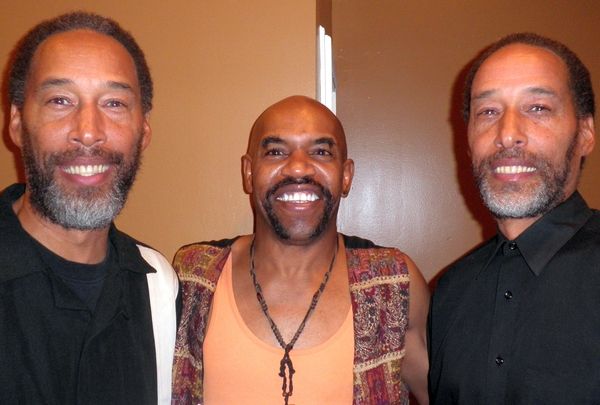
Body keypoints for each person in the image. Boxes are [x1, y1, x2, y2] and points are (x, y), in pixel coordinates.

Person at [171, 95, 430, 404]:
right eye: (276, 152)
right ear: (249, 172)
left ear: (346, 175)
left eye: (321, 152)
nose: (297, 168)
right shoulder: (192, 281)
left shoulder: (394, 285)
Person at [0, 12, 178, 404]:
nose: (88, 131)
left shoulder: (158, 286)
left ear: (143, 131)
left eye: (114, 103)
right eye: (60, 100)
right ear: (16, 123)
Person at [428, 33, 599, 403]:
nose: (507, 135)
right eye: (488, 112)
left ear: (585, 133)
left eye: (537, 108)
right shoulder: (450, 292)